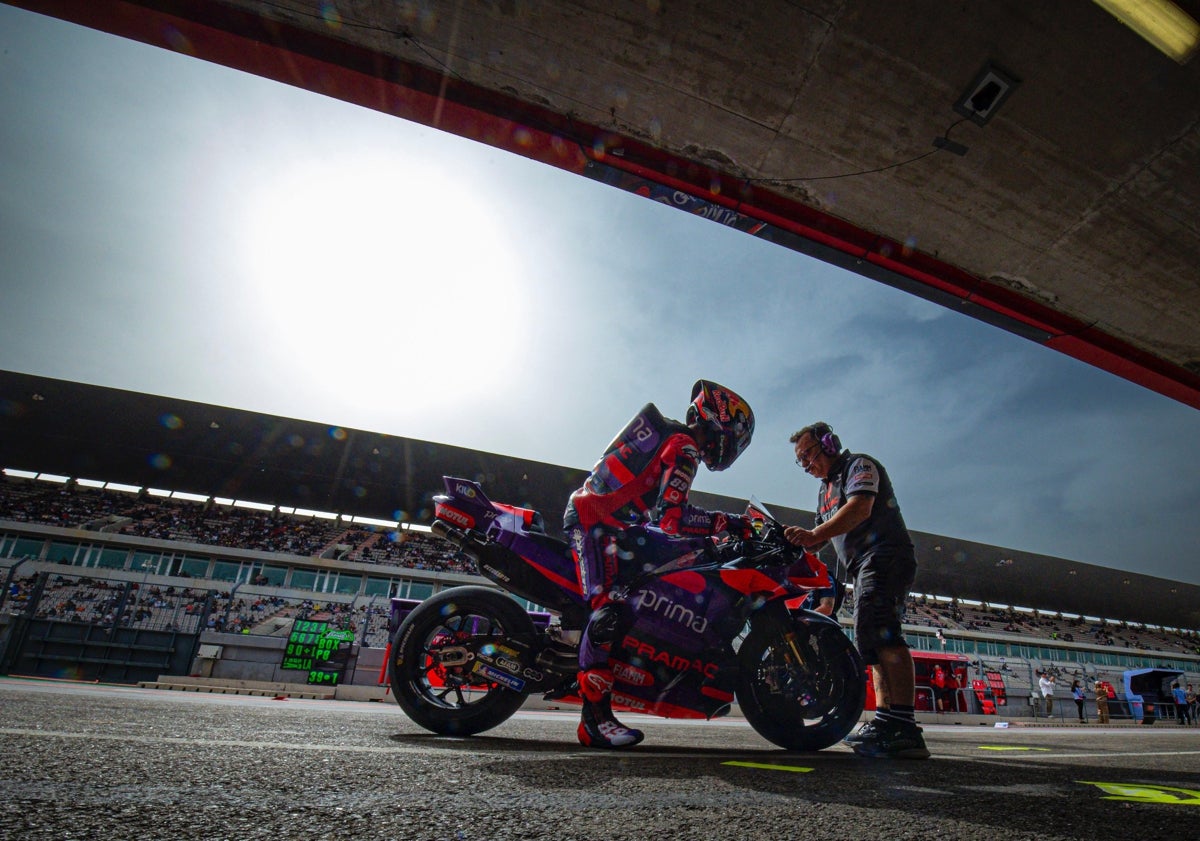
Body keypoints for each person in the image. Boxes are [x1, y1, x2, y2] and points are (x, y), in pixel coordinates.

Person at [564, 380, 755, 749]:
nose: (734, 445)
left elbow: (665, 522)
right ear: (721, 423)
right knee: (609, 608)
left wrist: (710, 539)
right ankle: (594, 720)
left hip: (622, 527)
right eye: (737, 435)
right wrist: (727, 522)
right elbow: (672, 517)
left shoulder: (675, 439)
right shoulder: (684, 446)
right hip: (595, 524)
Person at [783, 422, 929, 759]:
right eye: (800, 461)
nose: (806, 465)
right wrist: (794, 542)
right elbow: (819, 541)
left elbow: (860, 508)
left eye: (809, 454)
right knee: (871, 641)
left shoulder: (859, 465)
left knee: (884, 634)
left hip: (885, 556)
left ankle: (904, 726)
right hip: (861, 567)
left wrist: (812, 534)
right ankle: (887, 720)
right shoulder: (824, 492)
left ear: (829, 444)